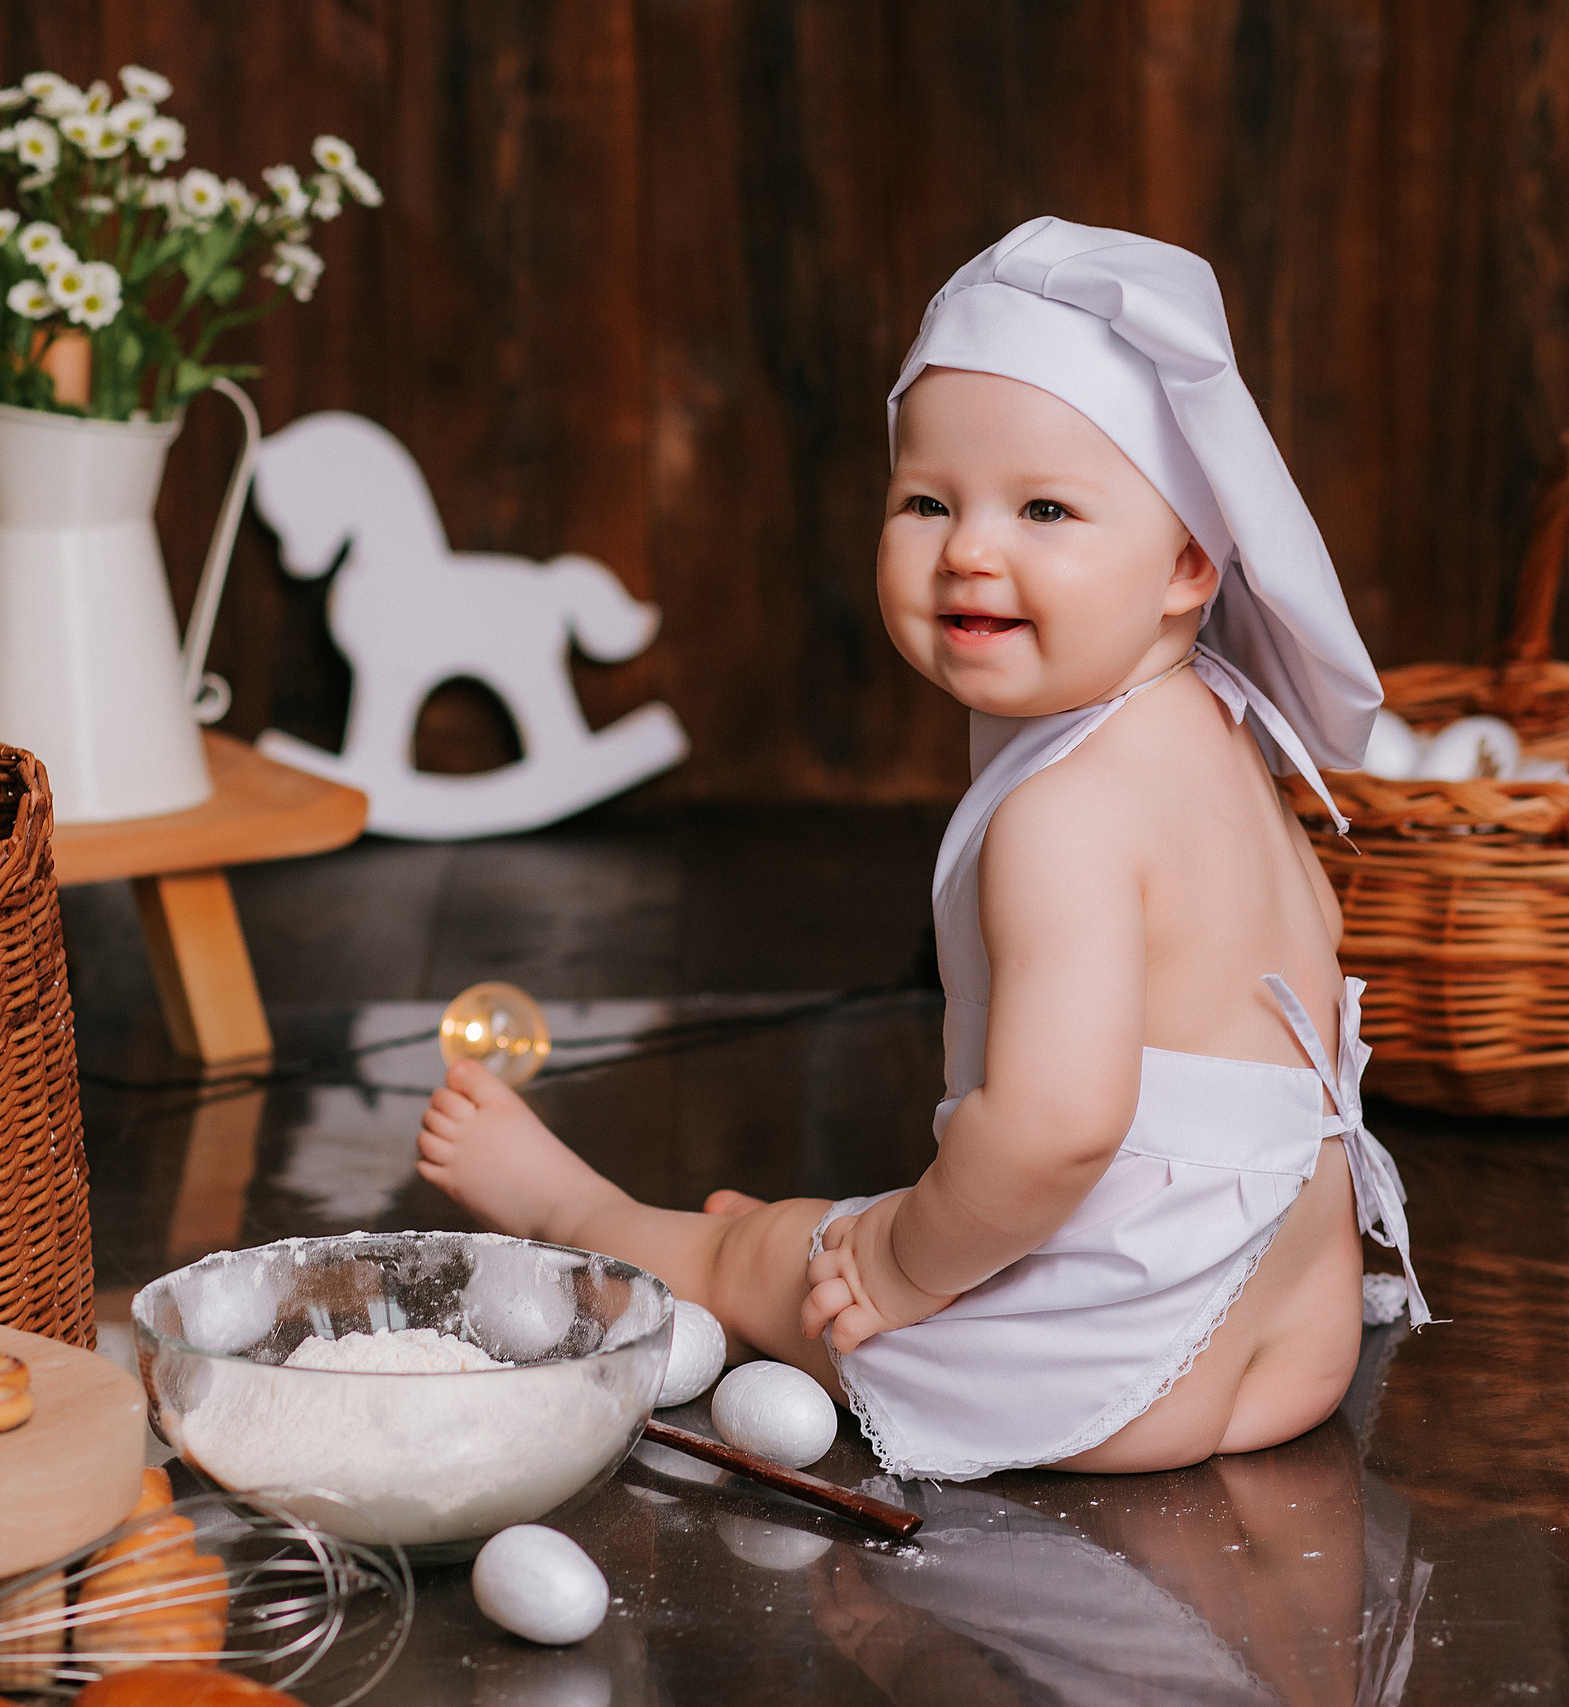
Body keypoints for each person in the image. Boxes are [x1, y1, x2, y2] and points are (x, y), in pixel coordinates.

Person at [417, 217, 1429, 1480]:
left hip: (1119, 1362)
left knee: (779, 1260)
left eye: (1045, 507)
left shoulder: (1063, 814)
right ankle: (800, 1245)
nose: (970, 548)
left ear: (1185, 563)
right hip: (1297, 1328)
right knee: (846, 1231)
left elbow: (1057, 1130)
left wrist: (898, 1266)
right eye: (928, 500)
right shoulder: (1222, 732)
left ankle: (582, 1216)